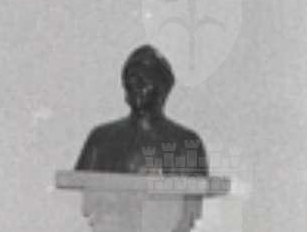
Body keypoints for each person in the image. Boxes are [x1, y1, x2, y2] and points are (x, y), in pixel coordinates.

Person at [74, 44, 209, 179]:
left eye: (143, 81)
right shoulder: (100, 139)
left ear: (162, 88)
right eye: (130, 80)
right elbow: (78, 184)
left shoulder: (188, 143)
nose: (135, 86)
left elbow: (192, 188)